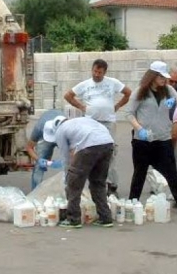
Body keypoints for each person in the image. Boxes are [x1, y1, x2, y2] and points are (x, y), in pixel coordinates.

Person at [124, 61, 177, 214]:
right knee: (140, 173)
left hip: (163, 139)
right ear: (153, 76)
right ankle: (132, 202)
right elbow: (128, 113)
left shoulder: (168, 90)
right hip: (143, 140)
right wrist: (139, 129)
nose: (164, 80)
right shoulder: (140, 92)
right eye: (161, 77)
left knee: (171, 171)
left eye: (165, 77)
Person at [63, 59, 131, 196]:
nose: (96, 74)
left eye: (100, 72)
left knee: (110, 153)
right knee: (89, 152)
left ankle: (112, 185)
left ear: (104, 72)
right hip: (91, 123)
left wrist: (117, 106)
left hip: (108, 122)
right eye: (95, 71)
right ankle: (91, 184)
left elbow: (128, 92)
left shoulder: (112, 83)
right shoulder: (86, 84)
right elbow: (68, 95)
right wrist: (81, 107)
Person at [42, 115, 115, 228]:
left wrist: (67, 178)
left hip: (89, 146)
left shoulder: (60, 131)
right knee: (98, 183)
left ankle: (73, 219)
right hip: (108, 143)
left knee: (74, 185)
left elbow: (66, 158)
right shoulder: (80, 121)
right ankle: (105, 218)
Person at [26, 109, 65, 189]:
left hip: (64, 136)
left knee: (72, 166)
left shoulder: (70, 130)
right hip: (44, 137)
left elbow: (76, 152)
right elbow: (29, 147)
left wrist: (67, 161)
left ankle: (71, 192)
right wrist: (38, 160)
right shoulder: (40, 127)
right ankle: (35, 193)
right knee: (38, 167)